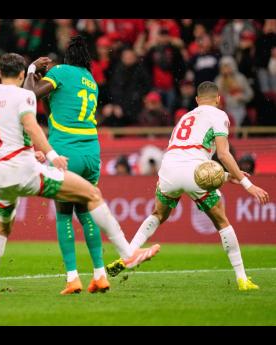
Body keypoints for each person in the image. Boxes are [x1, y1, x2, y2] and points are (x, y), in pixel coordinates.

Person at [0, 53, 160, 299]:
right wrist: (51, 156)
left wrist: (29, 152)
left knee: (3, 226)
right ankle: (128, 254)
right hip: (25, 169)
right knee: (92, 194)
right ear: (22, 75)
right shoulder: (25, 95)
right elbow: (31, 126)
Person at [105, 81, 270, 291]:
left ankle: (128, 254)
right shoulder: (219, 115)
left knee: (158, 214)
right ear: (218, 99)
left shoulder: (186, 116)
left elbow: (186, 152)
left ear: (197, 100)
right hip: (194, 170)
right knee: (222, 221)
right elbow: (223, 154)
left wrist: (228, 176)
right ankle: (242, 279)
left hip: (169, 168)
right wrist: (248, 185)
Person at [23, 36, 109, 294]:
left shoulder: (60, 71)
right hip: (91, 151)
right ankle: (100, 274)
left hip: (66, 152)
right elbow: (59, 107)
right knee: (85, 211)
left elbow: (27, 98)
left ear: (66, 56)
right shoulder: (91, 81)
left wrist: (30, 71)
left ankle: (73, 278)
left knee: (63, 214)